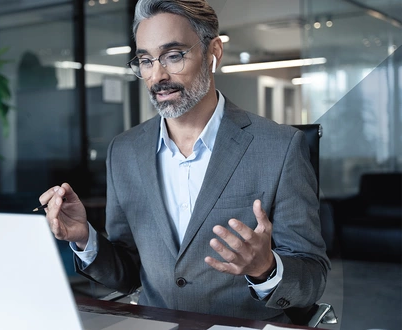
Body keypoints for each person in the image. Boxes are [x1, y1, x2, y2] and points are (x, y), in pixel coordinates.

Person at [39, 0, 330, 323]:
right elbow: (128, 273)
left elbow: (312, 277)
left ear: (213, 53)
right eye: (146, 60)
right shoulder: (124, 151)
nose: (157, 76)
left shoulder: (279, 146)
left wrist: (266, 268)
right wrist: (84, 238)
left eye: (173, 55)